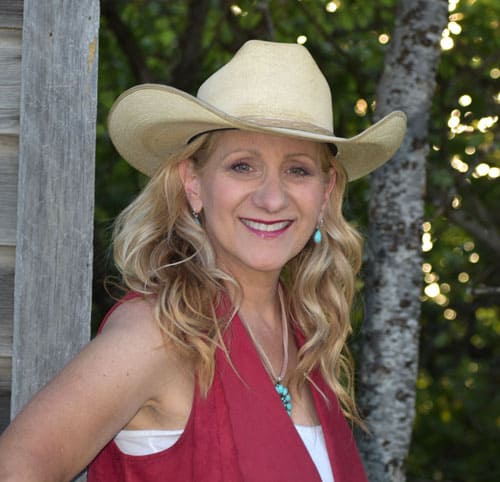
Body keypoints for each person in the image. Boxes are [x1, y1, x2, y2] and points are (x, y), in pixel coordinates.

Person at [0, 39, 405, 481]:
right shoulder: (157, 332)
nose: (272, 199)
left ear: (325, 194)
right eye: (242, 166)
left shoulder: (307, 340)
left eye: (298, 170)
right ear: (193, 183)